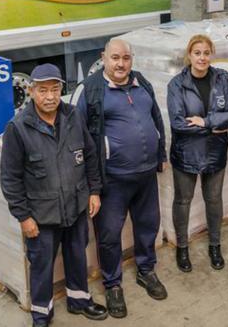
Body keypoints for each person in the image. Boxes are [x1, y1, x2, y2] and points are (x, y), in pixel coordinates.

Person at [0, 64, 108, 327]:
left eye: (55, 89)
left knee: (77, 256)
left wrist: (94, 191)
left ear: (61, 89)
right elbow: (10, 178)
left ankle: (79, 301)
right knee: (41, 266)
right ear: (32, 91)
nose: (49, 96)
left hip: (76, 206)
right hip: (42, 214)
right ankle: (41, 314)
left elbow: (90, 154)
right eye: (43, 90)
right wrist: (23, 216)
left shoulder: (73, 115)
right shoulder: (18, 127)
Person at [74, 38, 168, 318]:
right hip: (111, 180)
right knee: (109, 235)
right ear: (103, 57)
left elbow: (155, 119)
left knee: (148, 225)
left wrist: (160, 154)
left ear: (132, 59)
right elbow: (79, 138)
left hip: (146, 175)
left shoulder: (141, 83)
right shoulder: (89, 90)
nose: (121, 63)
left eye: (126, 58)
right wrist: (91, 184)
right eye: (115, 57)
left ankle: (146, 270)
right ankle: (113, 285)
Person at [166, 34, 228, 273]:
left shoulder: (222, 78)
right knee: (183, 201)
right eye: (197, 53)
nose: (202, 57)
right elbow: (178, 123)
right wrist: (216, 127)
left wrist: (205, 121)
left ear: (211, 55)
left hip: (215, 152)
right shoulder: (176, 85)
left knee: (214, 200)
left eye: (206, 53)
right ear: (190, 55)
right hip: (185, 154)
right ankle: (182, 248)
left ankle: (215, 246)